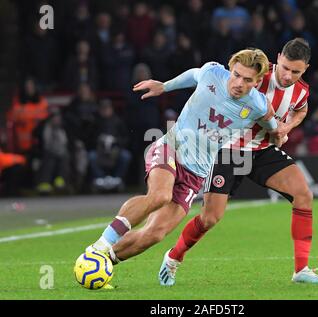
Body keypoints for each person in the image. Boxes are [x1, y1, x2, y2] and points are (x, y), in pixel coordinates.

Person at [110, 38, 318, 286]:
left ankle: (301, 269)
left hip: (262, 149)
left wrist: (286, 126)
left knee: (303, 195)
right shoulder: (253, 73)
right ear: (278, 58)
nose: (288, 76)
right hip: (228, 149)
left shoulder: (300, 90)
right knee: (210, 218)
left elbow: (301, 108)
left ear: (305, 70)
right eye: (285, 68)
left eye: (296, 71)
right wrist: (167, 86)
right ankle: (172, 258)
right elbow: (205, 77)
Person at [85, 48, 284, 286]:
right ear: (230, 69)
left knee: (156, 233)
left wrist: (277, 134)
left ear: (258, 81)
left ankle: (101, 261)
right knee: (159, 196)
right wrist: (164, 86)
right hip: (173, 146)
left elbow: (272, 123)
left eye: (247, 79)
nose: (239, 83)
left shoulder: (258, 105)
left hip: (197, 173)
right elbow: (193, 75)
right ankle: (101, 244)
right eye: (236, 74)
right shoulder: (213, 73)